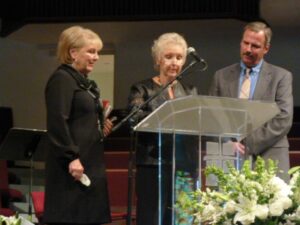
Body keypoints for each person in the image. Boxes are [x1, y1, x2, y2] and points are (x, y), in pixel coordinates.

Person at [43, 26, 114, 225]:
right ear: (73, 53)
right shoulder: (62, 79)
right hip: (72, 167)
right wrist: (71, 157)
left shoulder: (81, 81)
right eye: (91, 51)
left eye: (97, 52)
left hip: (89, 161)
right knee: (72, 217)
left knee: (89, 217)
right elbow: (58, 121)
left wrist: (100, 126)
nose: (96, 57)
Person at [128, 32, 199, 225]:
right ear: (158, 59)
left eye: (179, 57)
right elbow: (135, 120)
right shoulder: (142, 89)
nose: (174, 62)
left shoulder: (190, 91)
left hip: (184, 165)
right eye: (168, 57)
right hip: (153, 165)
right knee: (152, 218)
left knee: (183, 219)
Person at [209, 21, 293, 181]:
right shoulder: (220, 76)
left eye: (255, 46)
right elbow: (212, 115)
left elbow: (284, 117)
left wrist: (247, 143)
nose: (248, 49)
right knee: (224, 205)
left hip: (269, 156)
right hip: (227, 156)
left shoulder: (281, 76)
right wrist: (228, 142)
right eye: (245, 43)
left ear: (266, 48)